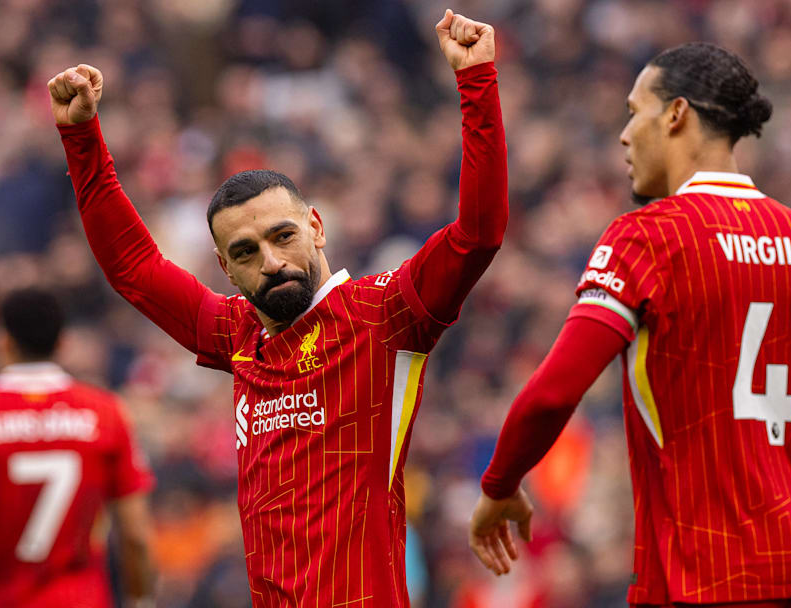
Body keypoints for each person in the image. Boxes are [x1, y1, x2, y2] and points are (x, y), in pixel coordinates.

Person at [47, 9, 506, 606]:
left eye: (283, 236)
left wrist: (476, 82)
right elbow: (132, 267)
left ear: (316, 227)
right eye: (246, 251)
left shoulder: (384, 314)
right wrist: (81, 138)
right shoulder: (233, 333)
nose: (270, 260)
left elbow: (479, 235)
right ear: (225, 267)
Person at [469, 42, 791, 608]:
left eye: (634, 111)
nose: (624, 135)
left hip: (700, 575)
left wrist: (500, 483)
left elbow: (554, 392)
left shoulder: (646, 239)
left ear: (676, 114)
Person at [0, 288, 155, 608]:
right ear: (63, 343)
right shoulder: (106, 413)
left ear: (2, 342)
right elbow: (135, 533)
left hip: (2, 600)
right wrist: (142, 600)